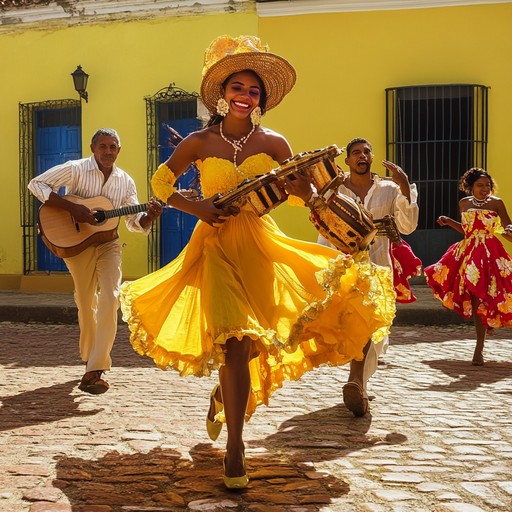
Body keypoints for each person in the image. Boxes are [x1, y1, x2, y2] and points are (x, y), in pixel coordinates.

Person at [119, 35, 395, 490]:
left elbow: (300, 192)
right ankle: (236, 448)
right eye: (238, 88)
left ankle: (222, 399)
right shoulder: (199, 140)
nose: (245, 97)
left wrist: (315, 194)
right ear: (222, 94)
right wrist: (200, 209)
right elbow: (161, 181)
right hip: (215, 245)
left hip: (262, 247)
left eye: (253, 91)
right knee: (232, 340)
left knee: (252, 345)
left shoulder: (274, 141)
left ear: (261, 99)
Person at [28, 128, 163, 394]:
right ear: (93, 148)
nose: (108, 152)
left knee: (111, 298)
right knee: (85, 301)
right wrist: (73, 208)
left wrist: (150, 216)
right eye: (103, 146)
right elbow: (36, 184)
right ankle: (89, 356)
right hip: (77, 244)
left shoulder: (125, 181)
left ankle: (96, 369)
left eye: (113, 147)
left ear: (118, 150)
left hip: (109, 244)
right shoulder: (76, 169)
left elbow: (135, 223)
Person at [318, 137, 420, 416]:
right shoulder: (335, 191)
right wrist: (322, 265)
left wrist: (403, 184)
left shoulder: (389, 189)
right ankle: (356, 381)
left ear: (372, 157)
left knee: (370, 328)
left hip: (378, 268)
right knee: (354, 325)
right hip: (345, 270)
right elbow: (326, 230)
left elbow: (408, 226)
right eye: (355, 153)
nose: (362, 155)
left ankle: (357, 382)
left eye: (366, 151)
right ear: (348, 161)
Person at [424, 167, 512, 365]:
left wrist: (510, 232)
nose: (485, 189)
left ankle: (483, 337)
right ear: (470, 187)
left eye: (488, 185)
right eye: (480, 185)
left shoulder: (497, 203)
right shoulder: (464, 203)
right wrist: (449, 222)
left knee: (498, 294)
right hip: (469, 252)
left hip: (491, 252)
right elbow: (467, 230)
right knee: (475, 295)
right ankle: (479, 348)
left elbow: (507, 228)